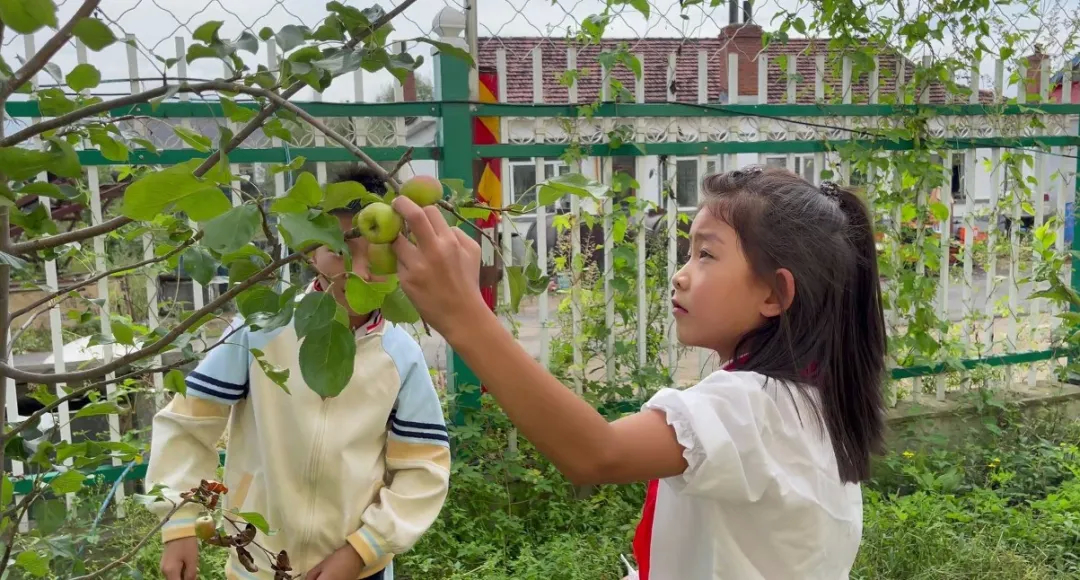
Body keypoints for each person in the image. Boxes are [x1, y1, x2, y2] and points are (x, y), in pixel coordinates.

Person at [389, 166, 887, 578]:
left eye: (707, 254)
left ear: (775, 294)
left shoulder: (752, 408)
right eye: (689, 251)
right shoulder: (807, 402)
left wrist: (464, 316)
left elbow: (595, 454)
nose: (681, 272)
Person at [146, 166, 450, 580]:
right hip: (257, 560)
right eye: (340, 248)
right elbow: (189, 423)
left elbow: (423, 469)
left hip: (358, 570)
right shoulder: (261, 329)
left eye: (377, 251)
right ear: (310, 249)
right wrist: (180, 520)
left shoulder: (401, 355)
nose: (357, 271)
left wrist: (360, 552)